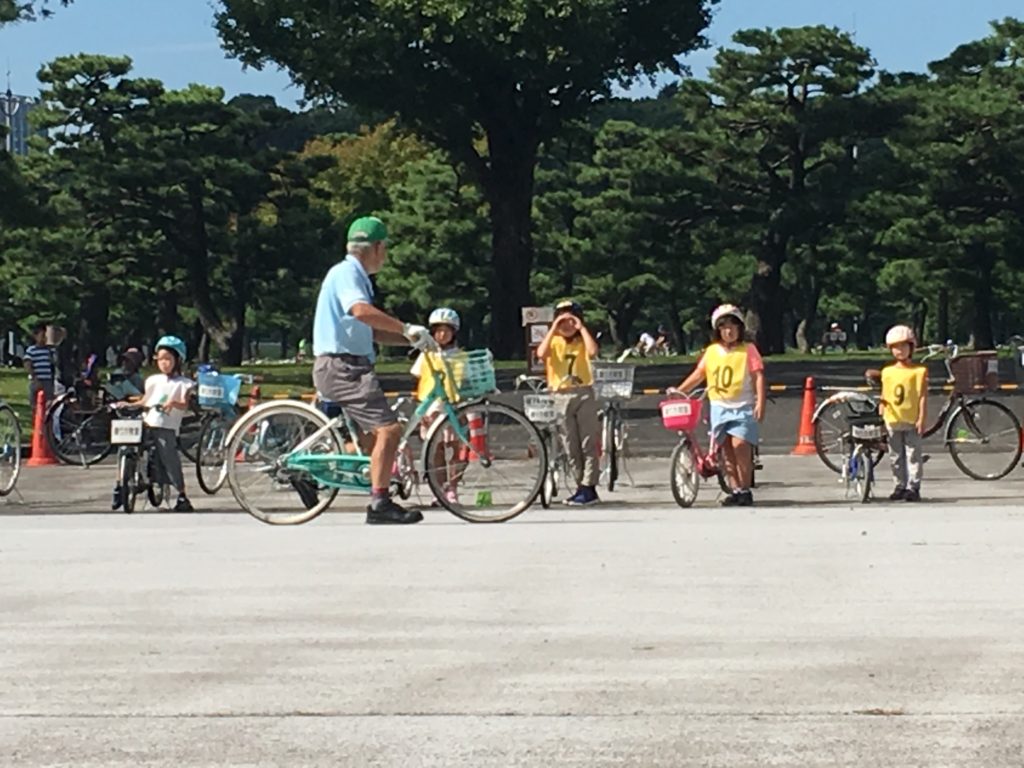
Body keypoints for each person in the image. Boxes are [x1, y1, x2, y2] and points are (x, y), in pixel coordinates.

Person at [311, 215, 433, 525]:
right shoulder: (348, 274)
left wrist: (411, 339)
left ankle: (312, 475)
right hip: (344, 366)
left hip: (345, 364)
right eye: (385, 248)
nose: (387, 255)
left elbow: (370, 330)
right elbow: (361, 311)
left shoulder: (349, 275)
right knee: (389, 430)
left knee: (369, 442)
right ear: (376, 247)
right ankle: (379, 503)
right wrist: (406, 327)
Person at [670, 304, 766, 506]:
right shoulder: (711, 351)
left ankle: (745, 489)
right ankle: (735, 489)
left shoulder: (748, 350)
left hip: (742, 406)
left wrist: (760, 402)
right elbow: (699, 374)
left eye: (733, 326)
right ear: (717, 330)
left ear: (740, 328)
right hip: (719, 407)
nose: (729, 331)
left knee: (740, 446)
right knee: (726, 450)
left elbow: (758, 376)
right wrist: (680, 390)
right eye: (724, 327)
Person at [113, 335, 196, 513]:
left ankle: (181, 494)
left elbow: (184, 404)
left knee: (169, 456)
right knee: (125, 445)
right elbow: (145, 400)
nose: (164, 363)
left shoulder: (184, 384)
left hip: (166, 425)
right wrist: (129, 404)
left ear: (178, 360)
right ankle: (121, 484)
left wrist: (172, 404)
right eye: (160, 359)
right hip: (148, 420)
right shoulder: (152, 380)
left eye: (168, 359)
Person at [536, 299, 601, 506]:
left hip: (583, 392)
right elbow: (540, 354)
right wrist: (554, 327)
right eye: (562, 320)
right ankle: (580, 485)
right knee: (570, 444)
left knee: (588, 442)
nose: (567, 325)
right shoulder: (554, 341)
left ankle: (589, 487)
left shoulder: (582, 340)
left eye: (570, 320)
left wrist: (581, 328)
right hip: (560, 394)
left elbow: (592, 352)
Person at [410, 307, 465, 506]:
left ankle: (453, 488)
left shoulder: (461, 356)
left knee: (457, 450)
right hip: (432, 408)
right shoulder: (426, 355)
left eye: (447, 330)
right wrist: (420, 409)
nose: (442, 335)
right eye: (438, 330)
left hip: (455, 406)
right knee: (436, 451)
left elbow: (466, 381)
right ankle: (440, 488)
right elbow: (419, 381)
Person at [880, 325, 927, 502]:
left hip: (911, 418)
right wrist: (882, 410)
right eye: (895, 347)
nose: (900, 351)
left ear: (911, 347)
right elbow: (885, 393)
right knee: (895, 455)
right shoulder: (887, 372)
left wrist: (922, 417)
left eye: (904, 346)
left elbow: (922, 396)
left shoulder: (919, 372)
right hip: (892, 418)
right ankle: (899, 485)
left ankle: (913, 487)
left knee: (913, 454)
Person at [24, 322, 55, 415]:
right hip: (37, 379)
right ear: (35, 336)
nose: (44, 338)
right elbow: (27, 363)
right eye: (42, 336)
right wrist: (34, 376)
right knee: (35, 402)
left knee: (48, 402)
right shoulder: (31, 350)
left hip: (48, 380)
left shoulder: (49, 350)